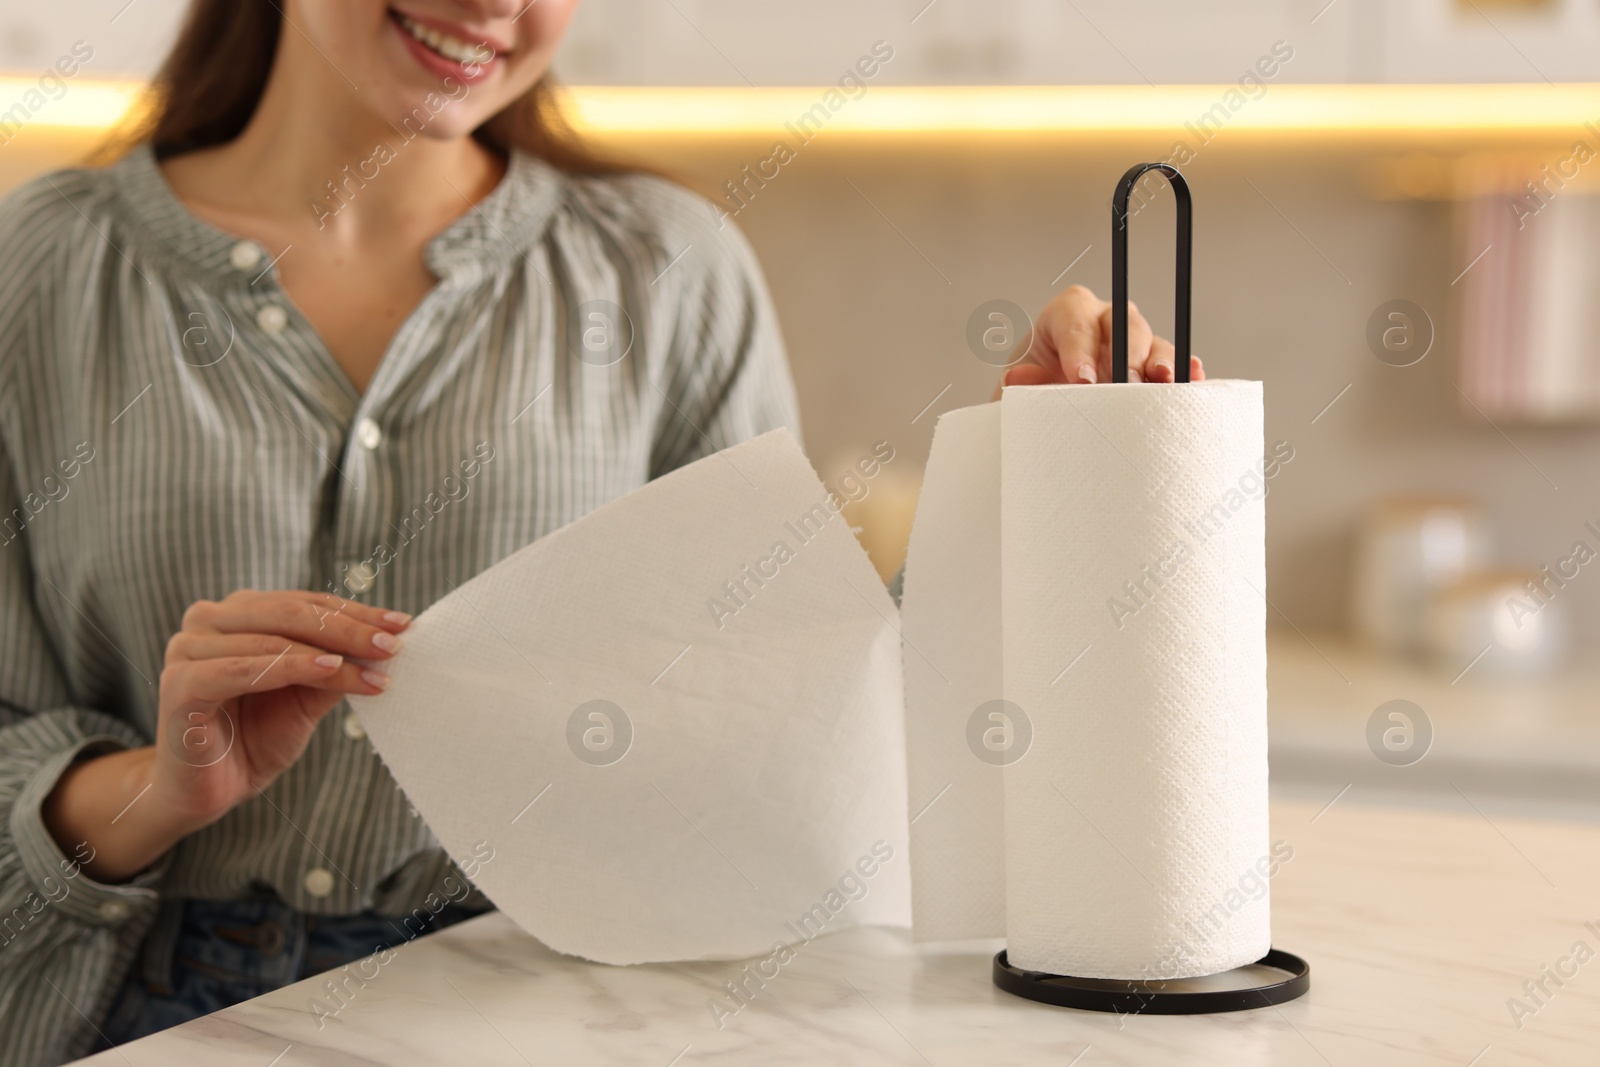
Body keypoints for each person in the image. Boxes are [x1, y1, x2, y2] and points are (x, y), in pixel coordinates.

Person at [0, 1, 1198, 1063]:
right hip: (155, 1007)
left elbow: (796, 730)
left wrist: (1029, 473)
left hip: (549, 999)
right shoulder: (42, 269)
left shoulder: (667, 273)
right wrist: (155, 790)